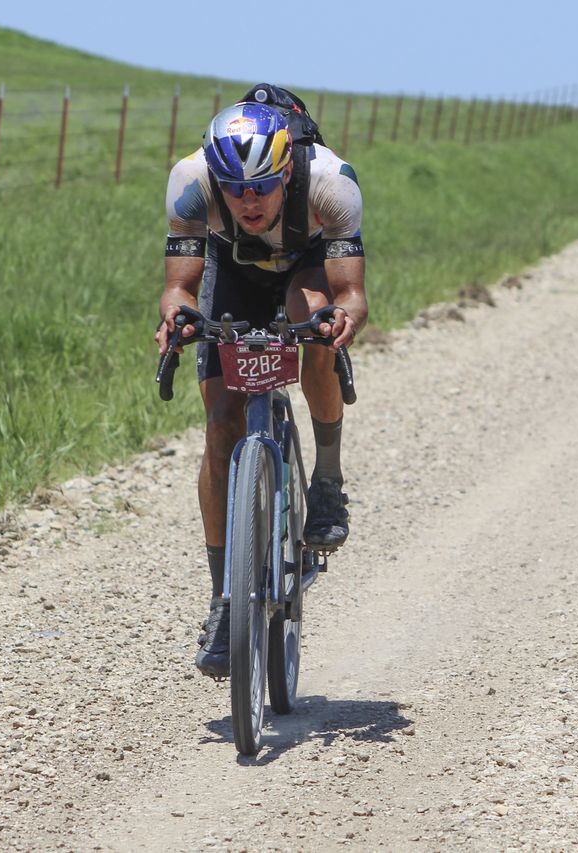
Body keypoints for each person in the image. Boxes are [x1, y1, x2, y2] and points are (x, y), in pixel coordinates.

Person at [155, 95, 367, 678]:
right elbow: (180, 286)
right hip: (234, 271)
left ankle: (326, 480)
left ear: (288, 170)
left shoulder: (331, 184)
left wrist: (342, 320)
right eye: (235, 188)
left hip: (307, 264)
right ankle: (225, 602)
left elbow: (352, 294)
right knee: (221, 420)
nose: (249, 201)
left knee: (318, 326)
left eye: (263, 187)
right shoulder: (191, 184)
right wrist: (175, 317)